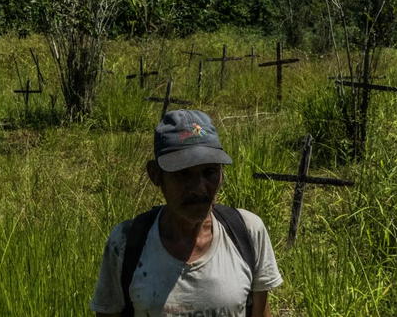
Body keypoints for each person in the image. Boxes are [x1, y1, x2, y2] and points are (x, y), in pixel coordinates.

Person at [91, 109, 282, 316]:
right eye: (183, 174)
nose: (199, 188)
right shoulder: (127, 242)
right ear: (155, 175)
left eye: (209, 172)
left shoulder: (247, 231)